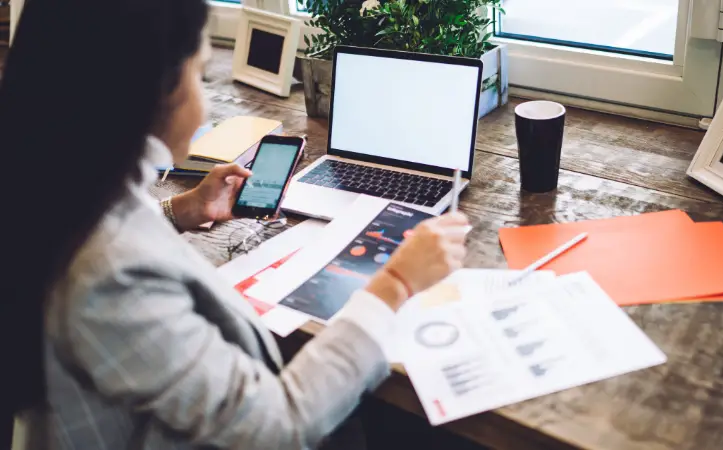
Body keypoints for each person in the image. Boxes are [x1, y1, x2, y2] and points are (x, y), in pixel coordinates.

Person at [0, 1, 470, 448]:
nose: (203, 99)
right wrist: (396, 282)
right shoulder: (109, 277)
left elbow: (117, 236)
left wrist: (179, 211)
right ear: (153, 89)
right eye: (201, 73)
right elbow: (281, 427)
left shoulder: (58, 190)